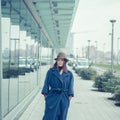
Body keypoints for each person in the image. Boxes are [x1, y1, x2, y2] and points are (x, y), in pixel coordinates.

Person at [41, 52, 74, 120]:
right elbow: (46, 84)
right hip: (52, 97)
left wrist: (68, 99)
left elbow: (70, 88)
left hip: (63, 98)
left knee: (61, 117)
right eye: (58, 60)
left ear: (65, 62)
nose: (60, 62)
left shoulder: (69, 74)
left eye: (62, 60)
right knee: (49, 117)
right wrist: (46, 97)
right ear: (56, 61)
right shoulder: (51, 72)